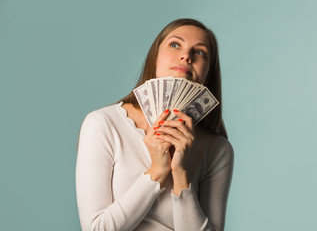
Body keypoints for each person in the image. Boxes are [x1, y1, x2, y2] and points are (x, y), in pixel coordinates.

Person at [76, 18, 234, 231]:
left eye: (200, 52)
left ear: (208, 73)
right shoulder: (103, 124)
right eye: (175, 44)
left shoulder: (218, 149)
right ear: (155, 57)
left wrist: (180, 174)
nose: (186, 55)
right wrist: (156, 173)